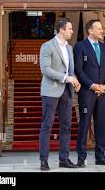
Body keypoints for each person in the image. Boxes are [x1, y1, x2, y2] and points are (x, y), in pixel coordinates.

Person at [39, 18, 81, 171]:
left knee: (66, 126)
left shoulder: (69, 48)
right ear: (62, 30)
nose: (71, 31)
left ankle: (64, 159)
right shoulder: (47, 46)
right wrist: (65, 78)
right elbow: (45, 69)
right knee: (47, 126)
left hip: (66, 92)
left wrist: (74, 80)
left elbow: (69, 70)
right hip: (50, 91)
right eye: (69, 29)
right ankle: (44, 160)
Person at [73, 19, 105, 167]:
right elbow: (78, 69)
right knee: (84, 124)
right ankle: (81, 157)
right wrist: (92, 85)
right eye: (98, 28)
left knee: (100, 124)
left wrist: (104, 86)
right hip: (87, 92)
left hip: (102, 93)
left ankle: (100, 156)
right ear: (90, 31)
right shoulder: (80, 47)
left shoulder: (104, 48)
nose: (102, 30)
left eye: (101, 28)